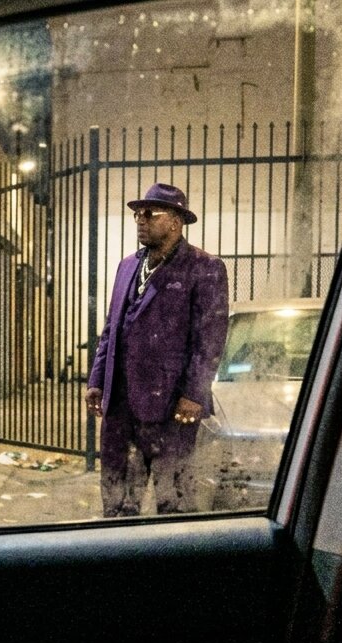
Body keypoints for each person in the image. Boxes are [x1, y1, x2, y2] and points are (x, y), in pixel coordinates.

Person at [84, 183, 228, 517]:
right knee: (117, 496)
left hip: (171, 406)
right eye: (138, 214)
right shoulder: (127, 266)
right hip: (120, 405)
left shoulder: (204, 267)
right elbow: (112, 328)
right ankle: (119, 539)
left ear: (176, 222)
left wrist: (194, 394)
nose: (141, 220)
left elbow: (210, 339)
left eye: (150, 213)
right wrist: (97, 379)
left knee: (172, 499)